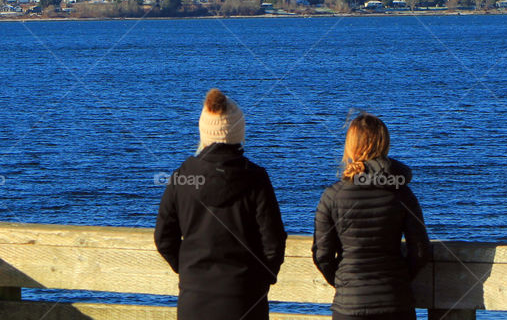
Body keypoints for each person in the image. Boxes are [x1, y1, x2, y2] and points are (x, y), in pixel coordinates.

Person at [155, 89, 287, 320]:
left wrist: (188, 271)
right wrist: (260, 281)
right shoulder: (255, 179)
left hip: (194, 301)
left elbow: (164, 238)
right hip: (245, 299)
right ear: (238, 132)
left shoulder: (182, 178)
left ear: (204, 131)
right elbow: (273, 242)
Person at [313, 113, 431, 320]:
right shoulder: (402, 193)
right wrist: (399, 279)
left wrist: (344, 283)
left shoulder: (332, 196)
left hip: (349, 306)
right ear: (384, 144)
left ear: (351, 146)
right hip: (395, 302)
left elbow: (322, 255)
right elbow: (420, 251)